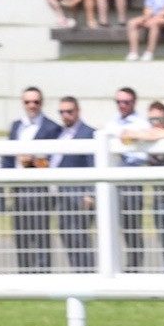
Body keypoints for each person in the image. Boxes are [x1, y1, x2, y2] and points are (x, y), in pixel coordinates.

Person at [123, 100, 164, 271]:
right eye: (152, 120)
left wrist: (150, 134)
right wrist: (146, 135)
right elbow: (125, 135)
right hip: (159, 199)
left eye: (159, 119)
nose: (155, 124)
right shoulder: (149, 138)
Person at [8, 86, 62, 272]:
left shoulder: (52, 127)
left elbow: (54, 161)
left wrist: (32, 160)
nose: (32, 105)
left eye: (36, 102)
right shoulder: (16, 126)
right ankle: (24, 271)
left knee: (40, 232)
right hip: (19, 188)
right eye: (27, 102)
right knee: (21, 233)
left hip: (40, 189)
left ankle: (43, 272)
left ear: (42, 103)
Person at [52, 96, 98, 272]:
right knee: (66, 234)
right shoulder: (59, 133)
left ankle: (86, 272)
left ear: (78, 111)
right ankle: (77, 270)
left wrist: (90, 194)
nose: (65, 115)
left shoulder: (88, 133)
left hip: (79, 195)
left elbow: (93, 164)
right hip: (62, 194)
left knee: (79, 235)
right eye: (62, 112)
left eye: (69, 111)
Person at [107, 86, 150, 270]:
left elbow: (144, 156)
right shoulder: (112, 123)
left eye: (126, 101)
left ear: (134, 102)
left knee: (132, 224)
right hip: (113, 178)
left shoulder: (141, 124)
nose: (122, 105)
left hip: (132, 176)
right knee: (112, 223)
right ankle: (114, 266)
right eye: (119, 101)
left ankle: (135, 266)